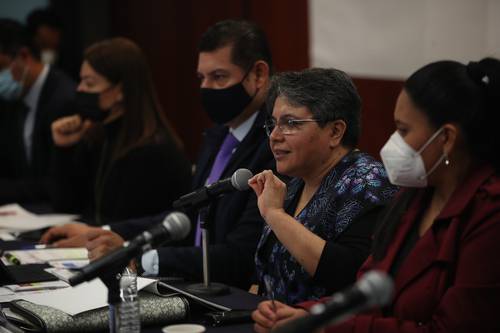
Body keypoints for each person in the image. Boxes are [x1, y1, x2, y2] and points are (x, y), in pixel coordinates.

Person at [252, 58, 500, 333]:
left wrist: (324, 326)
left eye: (403, 130)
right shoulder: (416, 197)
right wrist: (304, 315)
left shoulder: (490, 214)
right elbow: (364, 291)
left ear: (446, 138)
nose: (393, 141)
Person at [41, 20, 275, 289]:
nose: (206, 88)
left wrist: (138, 257)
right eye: (201, 78)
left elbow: (241, 254)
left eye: (219, 77)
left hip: (227, 297)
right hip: (194, 285)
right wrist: (109, 234)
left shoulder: (273, 147)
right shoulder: (218, 135)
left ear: (258, 75)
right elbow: (185, 218)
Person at [249, 68, 397, 305]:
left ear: (335, 132)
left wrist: (275, 215)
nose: (274, 136)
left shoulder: (369, 184)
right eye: (273, 124)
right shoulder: (297, 182)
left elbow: (351, 276)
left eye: (290, 123)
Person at [48, 37, 192, 225]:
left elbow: (126, 223)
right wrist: (63, 148)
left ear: (121, 91)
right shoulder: (97, 135)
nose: (80, 89)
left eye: (90, 83)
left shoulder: (153, 149)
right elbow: (66, 205)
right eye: (81, 81)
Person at [0, 18, 75, 205]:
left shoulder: (64, 99)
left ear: (24, 56)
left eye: (0, 67)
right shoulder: (11, 101)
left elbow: (57, 183)